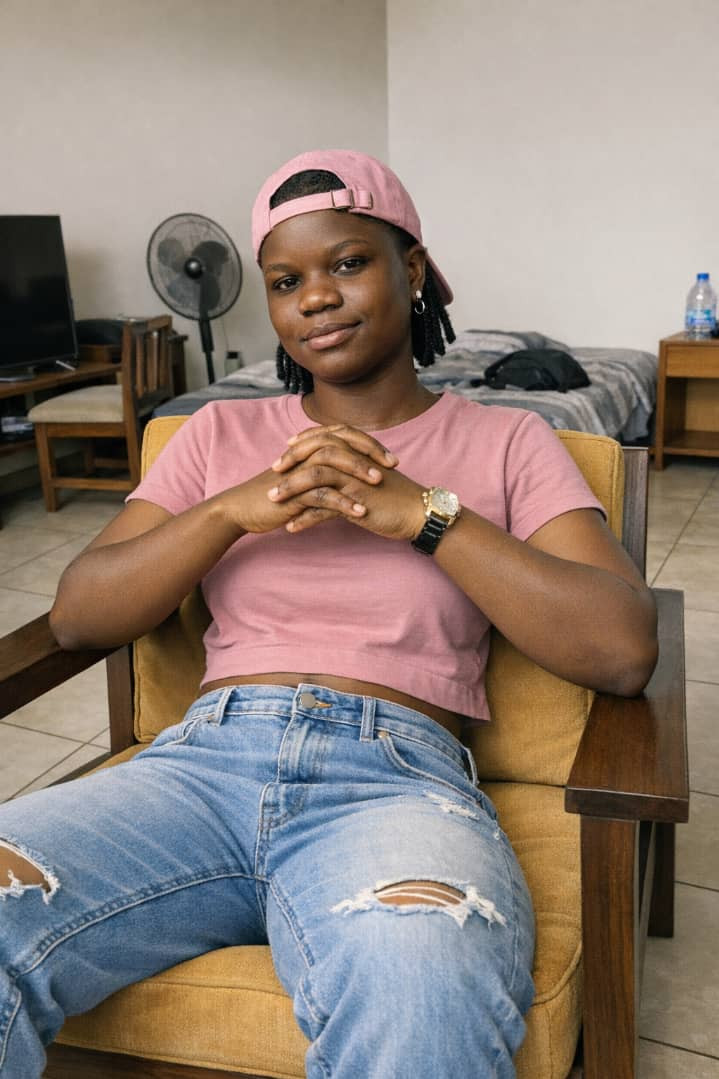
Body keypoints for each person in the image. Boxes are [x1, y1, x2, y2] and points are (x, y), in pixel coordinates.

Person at [0, 150, 658, 1078]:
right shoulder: (218, 435)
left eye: (347, 263)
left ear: (412, 269)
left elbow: (621, 647)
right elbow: (79, 616)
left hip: (393, 784)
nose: (315, 297)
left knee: (423, 982)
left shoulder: (509, 439)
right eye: (285, 281)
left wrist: (424, 515)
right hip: (194, 771)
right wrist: (229, 512)